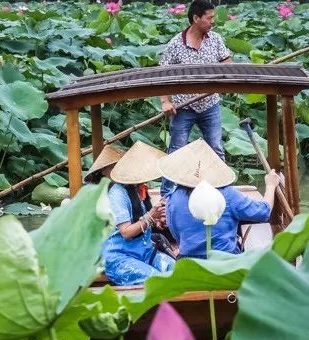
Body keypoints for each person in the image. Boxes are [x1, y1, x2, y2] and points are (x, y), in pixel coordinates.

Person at [158, 0, 232, 198]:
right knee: (176, 150)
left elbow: (228, 63)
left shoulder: (215, 39)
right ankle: (167, 197)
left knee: (216, 148)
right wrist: (165, 102)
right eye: (209, 18)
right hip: (184, 106)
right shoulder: (176, 44)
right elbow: (161, 75)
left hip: (210, 104)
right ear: (196, 18)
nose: (212, 22)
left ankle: (222, 192)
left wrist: (224, 79)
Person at [159, 139, 280, 259]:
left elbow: (175, 234)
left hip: (188, 261)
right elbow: (263, 212)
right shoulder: (227, 194)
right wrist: (270, 185)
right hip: (225, 260)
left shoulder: (172, 197)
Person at [88, 141, 175, 286]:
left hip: (144, 251)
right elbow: (126, 232)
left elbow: (143, 220)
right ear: (104, 171)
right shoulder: (116, 193)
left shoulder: (134, 188)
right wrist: (150, 217)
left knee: (177, 271)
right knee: (158, 282)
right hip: (119, 257)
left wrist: (156, 219)